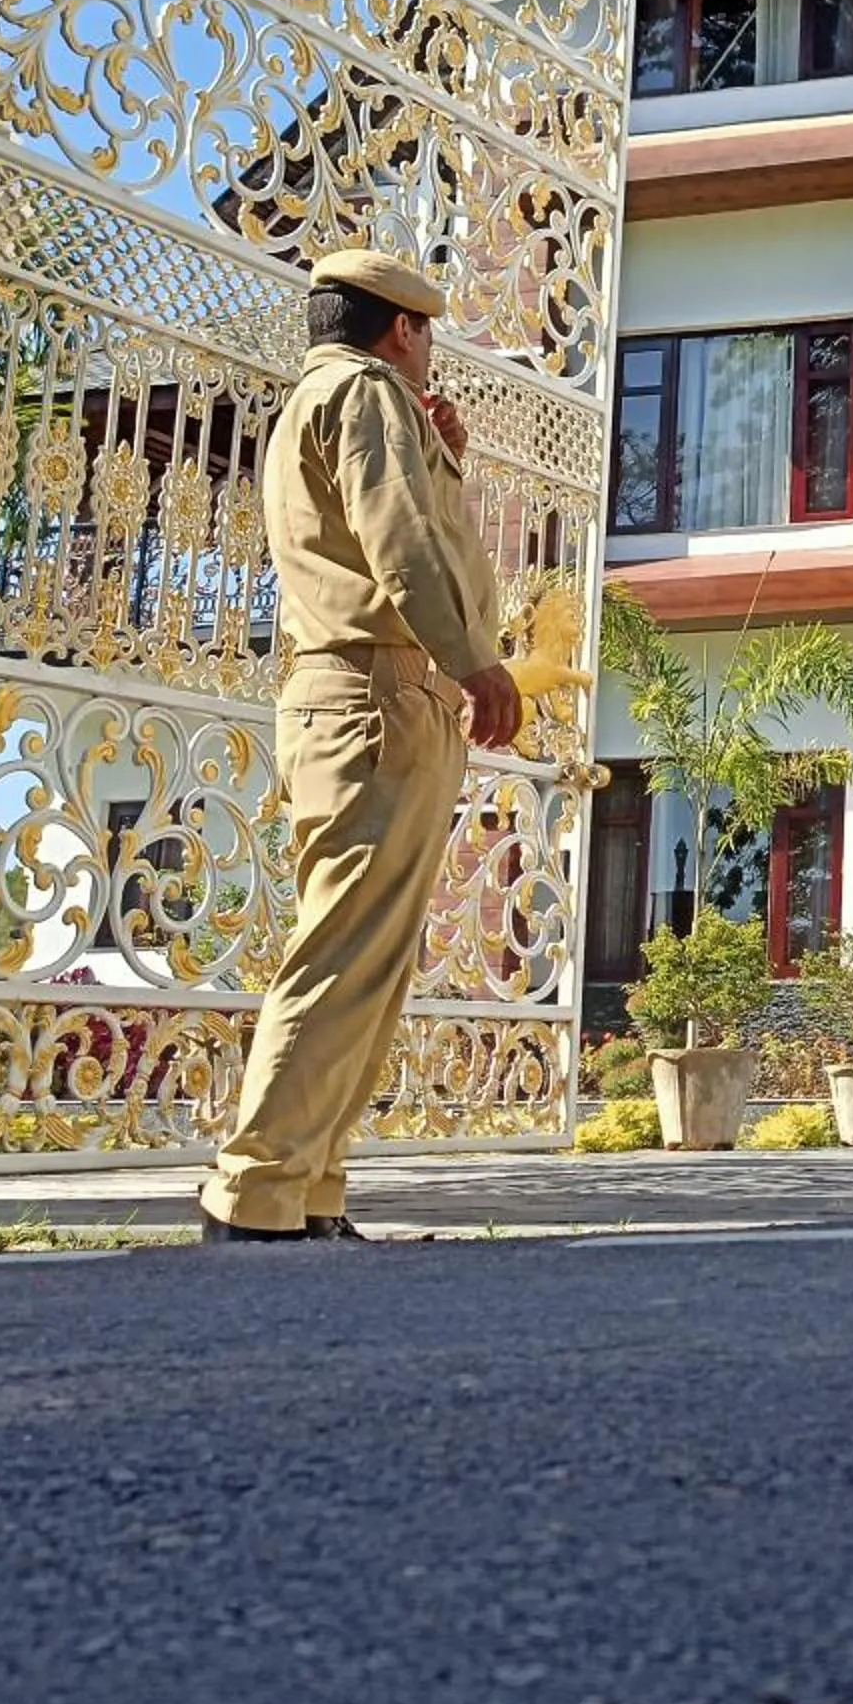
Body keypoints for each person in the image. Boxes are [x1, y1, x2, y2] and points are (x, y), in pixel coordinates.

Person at [198, 251, 524, 1244]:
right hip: (376, 697)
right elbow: (402, 546)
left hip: (364, 699)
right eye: (427, 335)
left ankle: (309, 1191)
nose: (429, 356)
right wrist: (476, 661)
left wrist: (444, 463)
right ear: (403, 329)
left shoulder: (326, 402)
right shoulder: (366, 391)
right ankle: (254, 1192)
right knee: (344, 955)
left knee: (369, 962)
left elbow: (407, 529)